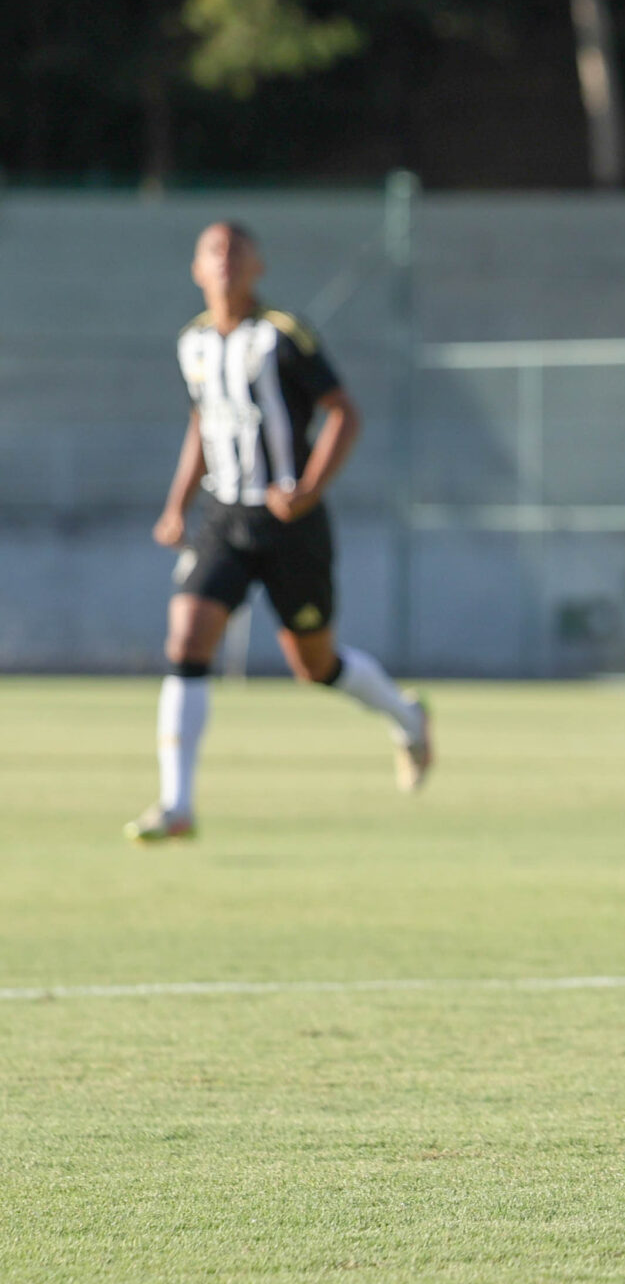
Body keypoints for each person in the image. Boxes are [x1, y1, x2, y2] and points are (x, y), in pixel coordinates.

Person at [127, 221, 433, 842]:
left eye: (237, 250)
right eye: (214, 251)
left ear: (258, 266)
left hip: (291, 524)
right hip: (224, 518)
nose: (225, 260)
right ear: (196, 268)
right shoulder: (192, 343)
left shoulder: (281, 336)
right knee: (187, 638)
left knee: (314, 664)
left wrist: (309, 488)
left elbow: (343, 413)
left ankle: (407, 719)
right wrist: (177, 504)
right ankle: (177, 806)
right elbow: (203, 423)